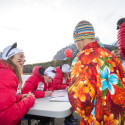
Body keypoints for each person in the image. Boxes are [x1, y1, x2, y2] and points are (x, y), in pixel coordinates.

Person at [68, 20, 125, 125]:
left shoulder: (81, 59)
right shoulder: (112, 57)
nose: (75, 44)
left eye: (75, 40)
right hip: (117, 118)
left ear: (80, 38)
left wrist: (71, 90)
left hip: (96, 120)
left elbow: (81, 101)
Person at [0, 43, 35, 125]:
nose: (23, 62)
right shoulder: (7, 75)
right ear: (8, 59)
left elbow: (4, 102)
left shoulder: (5, 72)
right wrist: (30, 99)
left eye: (24, 60)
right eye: (20, 59)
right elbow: (8, 116)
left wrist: (19, 97)